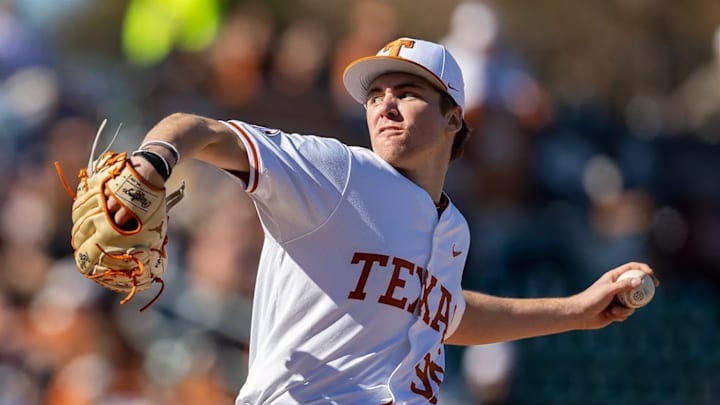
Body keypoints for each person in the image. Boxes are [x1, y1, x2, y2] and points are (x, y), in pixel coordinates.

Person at [105, 38, 658, 404]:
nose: (384, 106)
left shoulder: (454, 229)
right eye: (376, 95)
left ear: (453, 118)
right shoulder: (336, 171)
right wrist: (153, 163)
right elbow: (193, 126)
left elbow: (446, 313)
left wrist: (575, 311)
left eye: (408, 93)